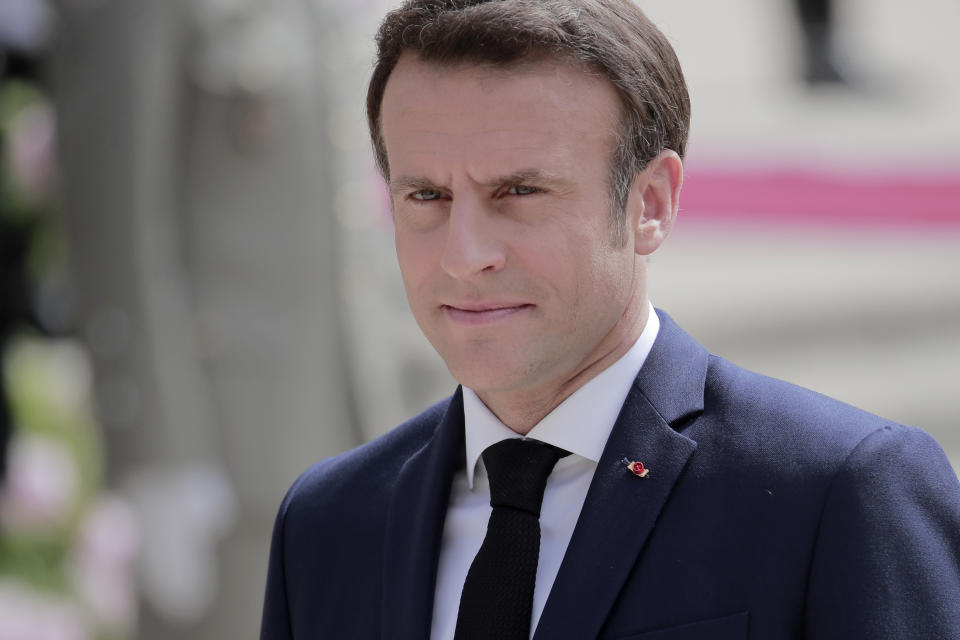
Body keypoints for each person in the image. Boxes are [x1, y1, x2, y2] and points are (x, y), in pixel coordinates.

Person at [260, 1, 960, 638]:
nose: (464, 255)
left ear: (650, 202)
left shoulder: (839, 492)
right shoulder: (327, 524)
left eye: (520, 190)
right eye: (427, 195)